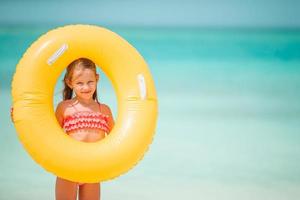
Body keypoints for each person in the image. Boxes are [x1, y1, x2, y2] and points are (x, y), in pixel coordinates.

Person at [11, 58, 114, 200]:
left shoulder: (104, 110)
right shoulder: (65, 108)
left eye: (90, 82)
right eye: (80, 83)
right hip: (68, 168)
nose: (86, 87)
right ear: (70, 83)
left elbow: (117, 139)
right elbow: (47, 133)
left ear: (97, 79)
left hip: (92, 170)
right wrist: (22, 119)